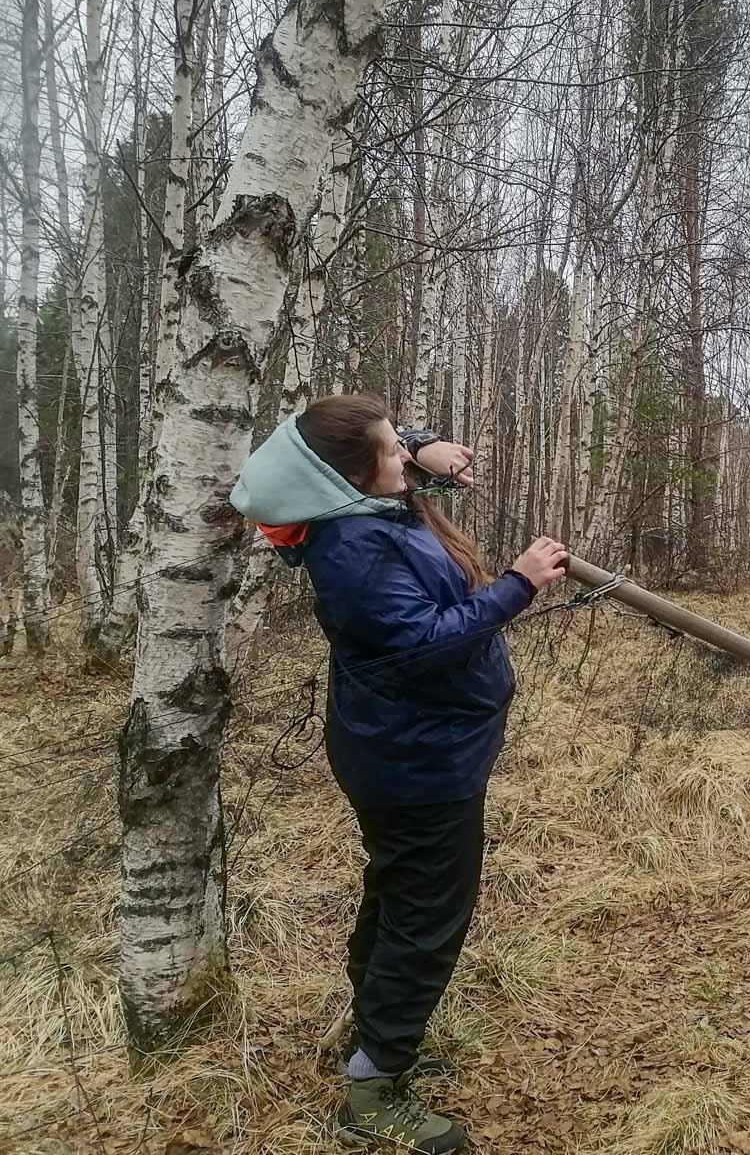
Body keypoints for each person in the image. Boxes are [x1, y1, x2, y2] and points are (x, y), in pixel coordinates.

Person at [230, 394, 567, 1153]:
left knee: (399, 898)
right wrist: (516, 583)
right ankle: (375, 1087)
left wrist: (429, 447)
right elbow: (421, 643)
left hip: (417, 750)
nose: (403, 459)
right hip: (417, 763)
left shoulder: (361, 513)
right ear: (348, 477)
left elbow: (390, 462)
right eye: (391, 453)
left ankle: (377, 1040)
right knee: (425, 919)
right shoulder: (352, 548)